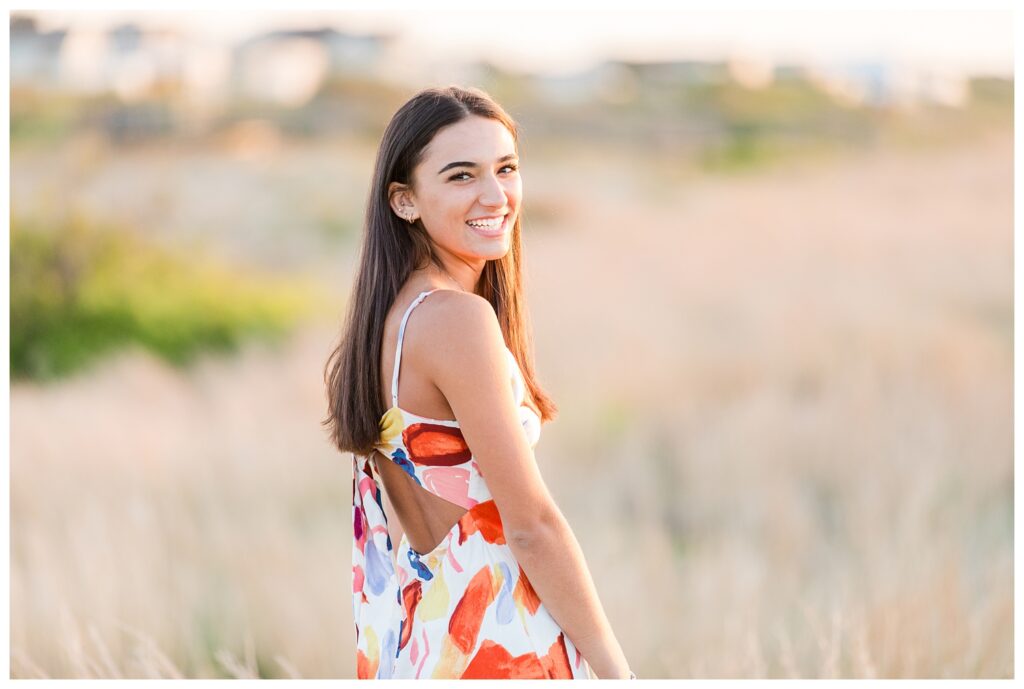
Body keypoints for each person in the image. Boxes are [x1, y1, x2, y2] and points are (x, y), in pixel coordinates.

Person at [323, 85, 634, 680]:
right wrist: (615, 668)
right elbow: (530, 524)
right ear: (405, 200)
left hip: (430, 644)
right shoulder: (455, 319)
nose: (495, 196)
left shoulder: (393, 317)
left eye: (506, 169)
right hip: (499, 640)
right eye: (461, 176)